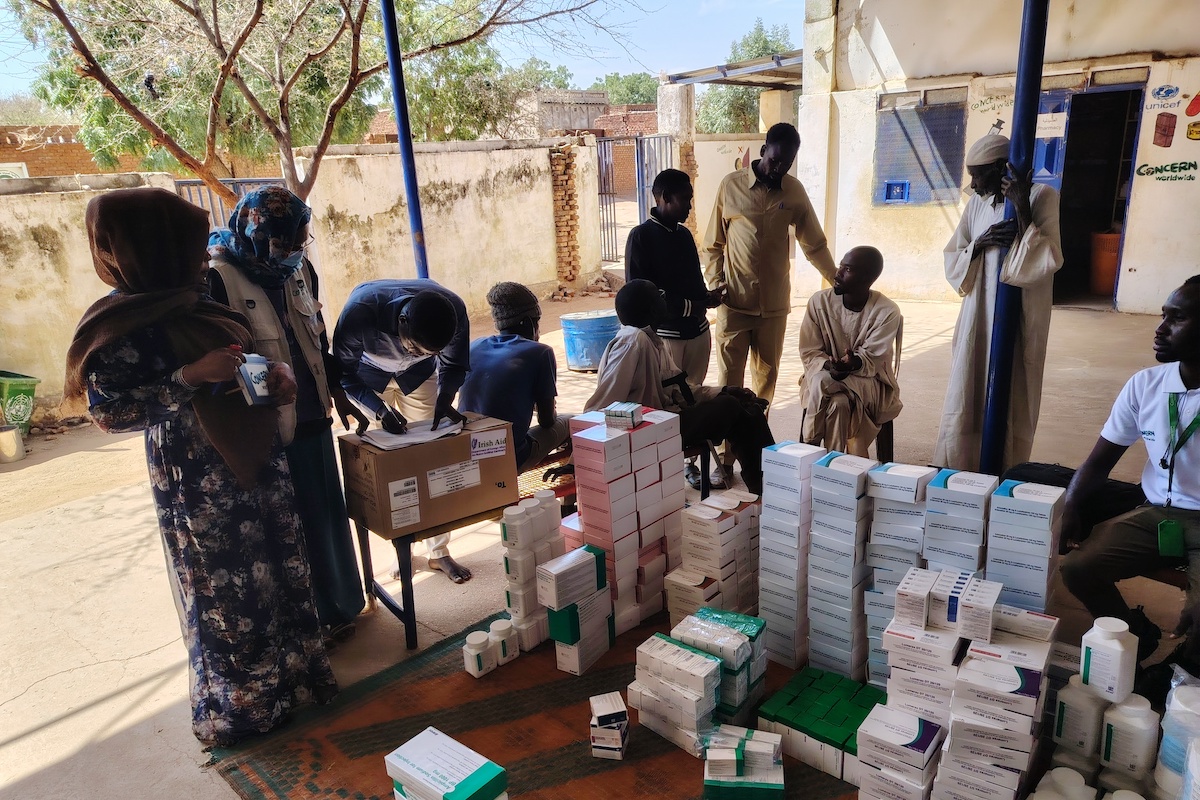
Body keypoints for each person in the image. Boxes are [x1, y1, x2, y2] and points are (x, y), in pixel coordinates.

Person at [64, 187, 337, 746]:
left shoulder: (195, 300)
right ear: (145, 248)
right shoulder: (118, 326)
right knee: (228, 595)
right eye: (186, 245)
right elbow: (110, 413)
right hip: (199, 483)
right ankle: (249, 708)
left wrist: (269, 379)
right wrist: (189, 376)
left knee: (281, 574)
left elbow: (236, 371)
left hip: (257, 460)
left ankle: (294, 678)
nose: (199, 255)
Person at [207, 186, 367, 639]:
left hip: (313, 416)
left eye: (302, 240)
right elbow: (223, 363)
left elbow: (318, 339)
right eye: (289, 239)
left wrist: (338, 390)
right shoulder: (220, 280)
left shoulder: (299, 271)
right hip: (266, 428)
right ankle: (306, 622)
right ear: (261, 231)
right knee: (287, 527)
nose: (297, 249)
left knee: (325, 515)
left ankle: (341, 607)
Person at [1059, 277, 1200, 685]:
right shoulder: (1147, 384)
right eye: (1163, 315)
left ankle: (1178, 674)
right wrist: (1072, 506)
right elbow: (1100, 460)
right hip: (1158, 511)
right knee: (1078, 568)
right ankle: (1133, 635)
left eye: (1177, 318)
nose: (1159, 328)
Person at [702, 122, 835, 483]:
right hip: (735, 304)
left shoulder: (794, 192)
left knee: (765, 383)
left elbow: (814, 244)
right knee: (729, 384)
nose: (780, 169)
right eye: (776, 160)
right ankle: (726, 462)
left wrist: (835, 276)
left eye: (787, 163)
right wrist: (717, 283)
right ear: (764, 151)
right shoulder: (730, 186)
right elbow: (713, 244)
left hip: (773, 307)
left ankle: (754, 457)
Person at [933, 133, 1063, 471]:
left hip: (1019, 314)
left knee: (1011, 394)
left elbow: (1044, 259)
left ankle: (1004, 471)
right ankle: (961, 471)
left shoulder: (1042, 196)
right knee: (968, 389)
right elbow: (954, 255)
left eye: (977, 175)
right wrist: (980, 243)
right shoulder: (977, 204)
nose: (972, 184)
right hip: (978, 311)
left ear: (1000, 168)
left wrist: (1021, 206)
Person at [333, 279, 473, 583]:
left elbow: (453, 364)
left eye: (425, 351)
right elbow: (343, 374)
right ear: (401, 321)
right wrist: (380, 411)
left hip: (419, 378)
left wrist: (446, 396)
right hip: (368, 377)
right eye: (411, 347)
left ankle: (438, 552)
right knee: (393, 466)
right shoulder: (360, 313)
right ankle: (403, 547)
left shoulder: (454, 311)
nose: (412, 353)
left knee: (433, 459)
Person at [585, 279, 775, 494]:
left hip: (664, 422)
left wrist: (723, 390)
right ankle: (769, 492)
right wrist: (580, 455)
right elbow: (602, 404)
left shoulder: (653, 340)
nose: (664, 300)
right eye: (659, 297)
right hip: (647, 433)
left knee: (746, 407)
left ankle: (768, 491)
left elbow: (683, 391)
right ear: (651, 310)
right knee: (730, 407)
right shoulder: (632, 342)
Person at [626, 168, 725, 489]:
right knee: (667, 405)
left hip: (698, 334)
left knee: (692, 399)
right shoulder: (640, 237)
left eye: (691, 200)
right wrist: (692, 306)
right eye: (685, 199)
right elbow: (642, 294)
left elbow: (692, 285)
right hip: (667, 339)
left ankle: (690, 462)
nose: (690, 207)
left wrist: (707, 298)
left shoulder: (683, 235)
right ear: (664, 198)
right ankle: (670, 468)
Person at [798, 245, 903, 456]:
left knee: (822, 382)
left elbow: (873, 360)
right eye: (840, 266)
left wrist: (853, 364)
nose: (837, 273)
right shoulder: (819, 302)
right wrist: (830, 365)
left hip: (870, 384)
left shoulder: (887, 311)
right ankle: (836, 465)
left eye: (847, 269)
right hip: (823, 374)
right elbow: (809, 351)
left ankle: (809, 445)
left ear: (867, 278)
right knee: (839, 403)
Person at [458, 281, 571, 472]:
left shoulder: (474, 346)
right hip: (509, 459)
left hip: (468, 455)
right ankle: (568, 492)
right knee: (571, 421)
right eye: (537, 322)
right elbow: (547, 421)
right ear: (529, 322)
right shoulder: (540, 352)